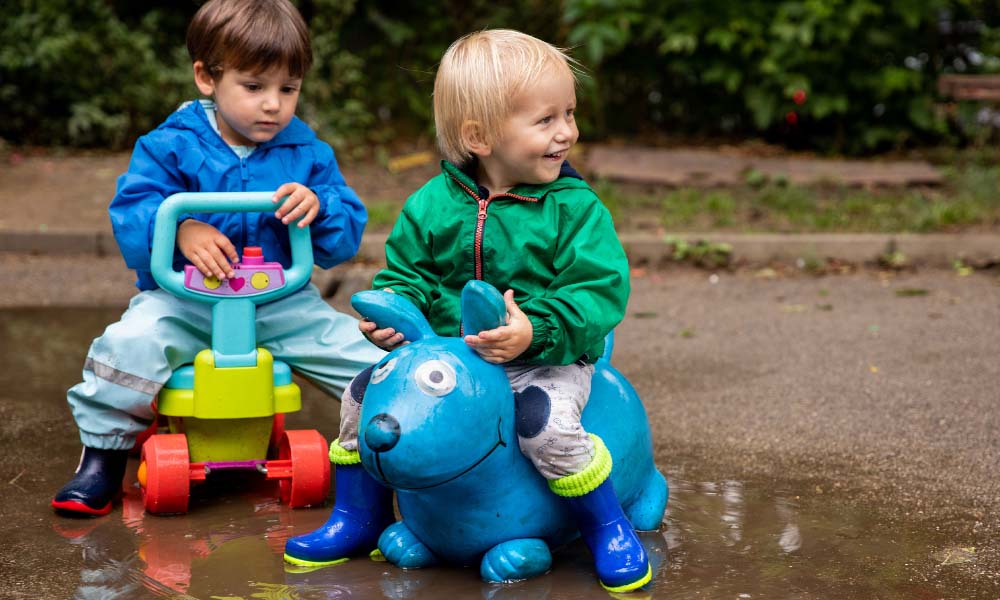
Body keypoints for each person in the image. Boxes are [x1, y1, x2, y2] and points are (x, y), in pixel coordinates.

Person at [284, 29, 650, 592]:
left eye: (569, 113)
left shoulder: (576, 210)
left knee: (547, 427)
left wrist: (536, 330)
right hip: (447, 358)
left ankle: (606, 527)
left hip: (544, 357)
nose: (567, 132)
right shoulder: (432, 204)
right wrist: (397, 314)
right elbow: (407, 274)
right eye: (545, 120)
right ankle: (358, 516)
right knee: (360, 395)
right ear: (478, 137)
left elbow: (597, 289)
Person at [52, 0, 383, 517]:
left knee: (372, 365)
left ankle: (400, 451)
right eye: (254, 87)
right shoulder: (170, 146)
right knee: (128, 346)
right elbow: (133, 209)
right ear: (207, 77)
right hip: (185, 300)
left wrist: (319, 208)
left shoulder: (307, 154)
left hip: (280, 302)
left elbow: (342, 238)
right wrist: (180, 228)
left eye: (288, 89)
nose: (273, 104)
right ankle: (102, 458)